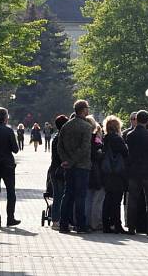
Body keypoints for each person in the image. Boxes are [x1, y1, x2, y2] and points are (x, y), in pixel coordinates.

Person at [56, 100, 93, 233]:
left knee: (68, 194)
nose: (88, 111)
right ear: (83, 110)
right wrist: (72, 161)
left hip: (68, 167)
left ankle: (63, 224)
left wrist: (66, 160)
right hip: (82, 166)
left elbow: (59, 146)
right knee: (80, 196)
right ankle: (80, 225)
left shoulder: (66, 126)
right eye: (87, 109)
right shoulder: (87, 127)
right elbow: (84, 148)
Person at [125, 110, 148, 236]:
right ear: (147, 121)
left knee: (133, 200)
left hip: (134, 172)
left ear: (137, 119)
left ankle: (131, 227)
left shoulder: (130, 135)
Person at [101, 116, 129, 233]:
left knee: (108, 199)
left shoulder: (105, 138)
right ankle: (117, 225)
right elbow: (125, 153)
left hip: (107, 172)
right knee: (116, 200)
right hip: (117, 173)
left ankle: (106, 225)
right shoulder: (117, 139)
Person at [85, 117, 105, 231]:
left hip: (85, 168)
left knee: (87, 197)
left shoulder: (82, 138)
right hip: (95, 170)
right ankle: (94, 223)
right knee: (95, 199)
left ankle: (85, 222)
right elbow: (97, 155)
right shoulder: (95, 140)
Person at [48, 115, 68, 228]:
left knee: (58, 195)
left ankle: (56, 220)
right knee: (59, 196)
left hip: (54, 169)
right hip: (59, 170)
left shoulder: (56, 136)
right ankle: (56, 220)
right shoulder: (61, 138)